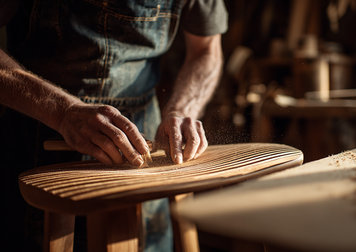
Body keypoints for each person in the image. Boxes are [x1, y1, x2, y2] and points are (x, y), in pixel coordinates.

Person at [0, 0, 228, 251]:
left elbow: (206, 49)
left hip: (146, 141)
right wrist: (62, 112)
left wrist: (182, 109)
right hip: (39, 128)